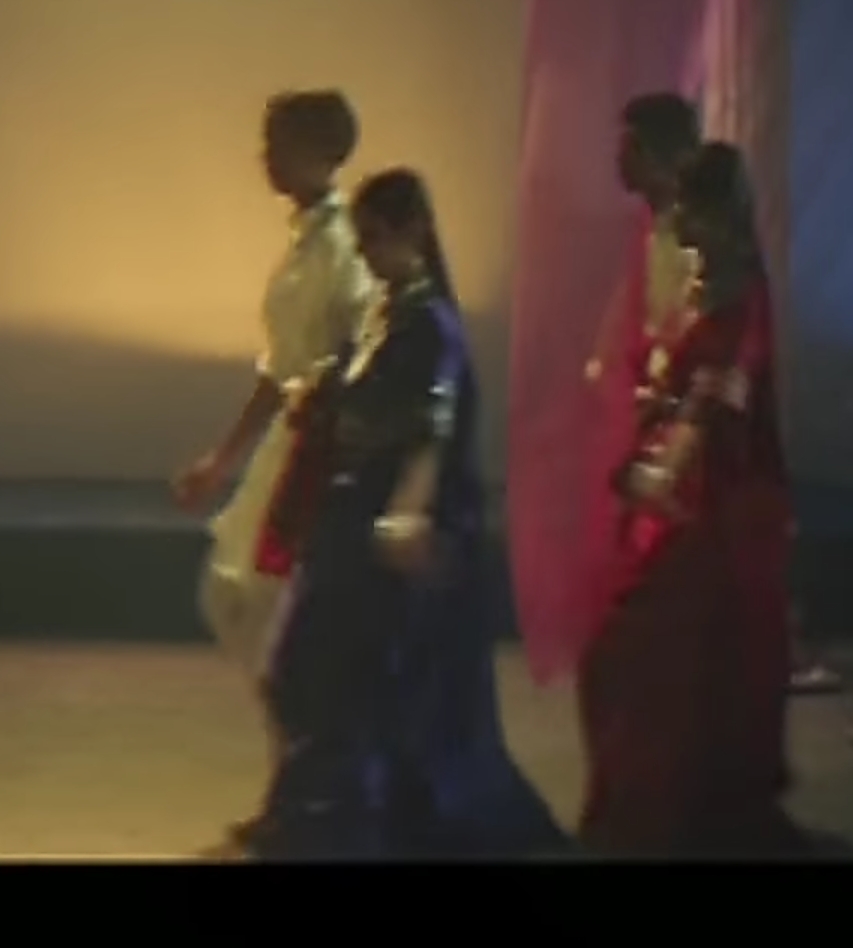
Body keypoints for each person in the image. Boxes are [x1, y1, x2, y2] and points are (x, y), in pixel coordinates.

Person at [241, 167, 566, 859]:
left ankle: (346, 821)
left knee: (357, 682)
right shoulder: (384, 314)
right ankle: (319, 814)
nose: (366, 254)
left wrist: (408, 511)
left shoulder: (431, 325)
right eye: (361, 240)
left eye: (376, 238)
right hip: (347, 521)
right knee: (301, 670)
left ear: (413, 230)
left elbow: (431, 430)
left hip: (380, 531)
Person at [576, 141, 803, 856]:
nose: (679, 222)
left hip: (717, 500)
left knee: (652, 646)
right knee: (637, 650)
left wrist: (665, 471)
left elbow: (716, 398)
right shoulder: (704, 281)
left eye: (690, 208)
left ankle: (671, 809)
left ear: (719, 211)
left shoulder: (742, 294)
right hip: (682, 485)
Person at [173, 90, 378, 854]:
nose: (267, 158)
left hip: (319, 457)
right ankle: (294, 783)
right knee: (246, 605)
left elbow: (353, 356)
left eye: (281, 143)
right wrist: (222, 459)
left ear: (324, 151)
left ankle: (313, 792)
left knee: (285, 621)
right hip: (290, 446)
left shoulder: (344, 248)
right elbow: (277, 368)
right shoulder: (303, 243)